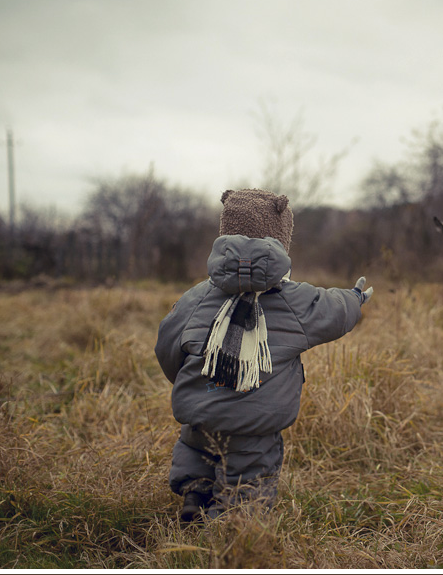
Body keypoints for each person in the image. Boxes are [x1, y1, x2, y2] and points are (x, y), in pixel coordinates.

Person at [155, 188, 372, 522]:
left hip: (201, 413)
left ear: (224, 234)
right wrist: (355, 297)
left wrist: (196, 382)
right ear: (282, 240)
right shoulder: (294, 300)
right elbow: (334, 311)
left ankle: (195, 494)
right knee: (247, 485)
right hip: (254, 426)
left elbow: (167, 348)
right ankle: (228, 535)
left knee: (198, 452)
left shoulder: (196, 297)